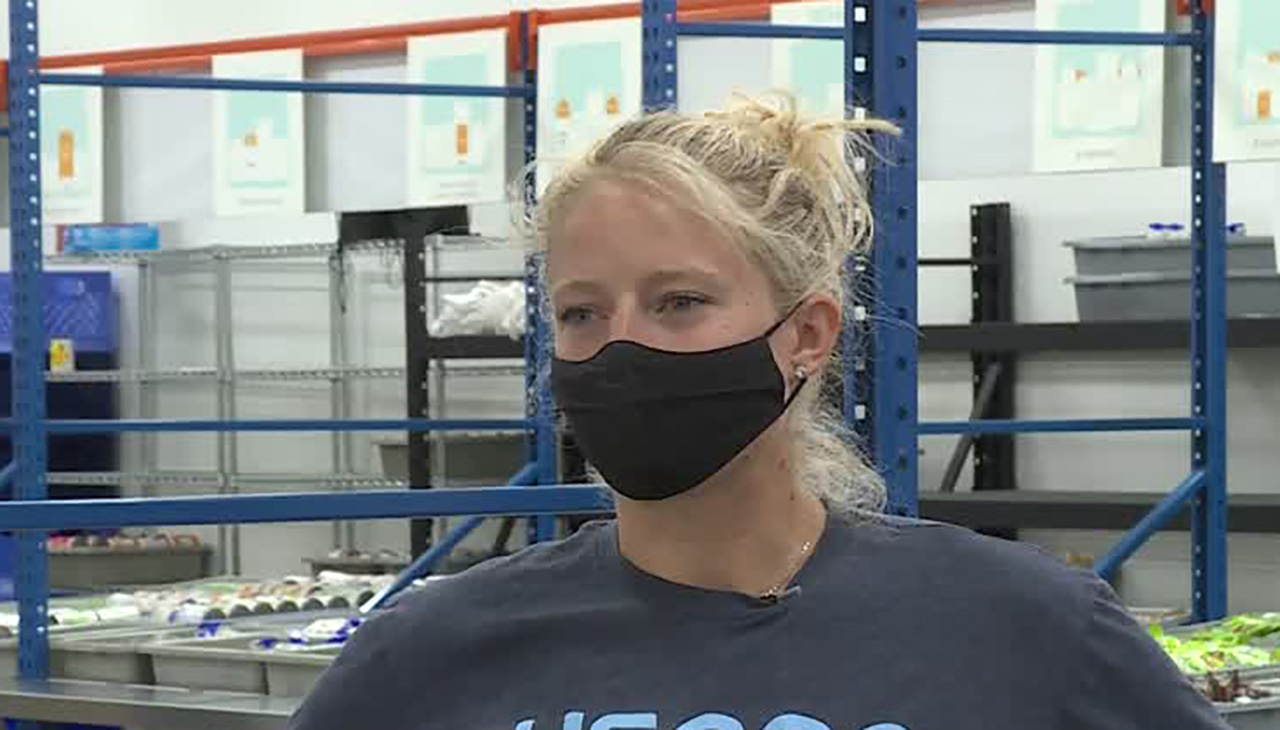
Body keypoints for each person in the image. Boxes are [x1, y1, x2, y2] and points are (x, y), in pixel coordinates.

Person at [289, 95, 1228, 730]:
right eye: (582, 313)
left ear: (807, 334)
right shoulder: (435, 651)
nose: (622, 348)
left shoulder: (1026, 629)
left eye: (679, 302)